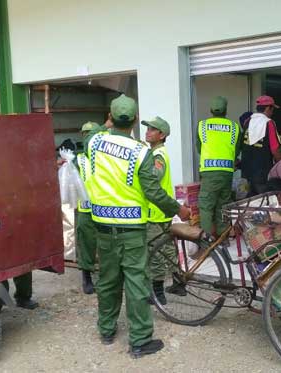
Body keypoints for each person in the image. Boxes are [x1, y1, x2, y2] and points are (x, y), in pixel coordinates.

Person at [86, 94, 191, 358]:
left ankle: (107, 330)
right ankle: (140, 340)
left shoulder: (94, 141)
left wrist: (107, 121)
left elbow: (96, 130)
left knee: (108, 280)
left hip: (102, 225)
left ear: (110, 117)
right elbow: (153, 192)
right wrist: (178, 209)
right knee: (135, 282)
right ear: (134, 120)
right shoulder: (141, 151)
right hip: (131, 228)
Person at [141, 116, 186, 305]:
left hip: (156, 212)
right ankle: (179, 283)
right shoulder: (157, 152)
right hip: (164, 210)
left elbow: (154, 177)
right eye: (148, 128)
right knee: (168, 248)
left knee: (156, 253)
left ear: (162, 135)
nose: (148, 131)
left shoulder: (158, 156)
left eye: (152, 129)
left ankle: (158, 293)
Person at [196, 96, 243, 238]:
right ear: (225, 110)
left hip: (209, 172)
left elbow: (199, 147)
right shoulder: (234, 127)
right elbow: (237, 149)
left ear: (211, 110)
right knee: (223, 205)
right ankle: (223, 238)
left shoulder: (202, 125)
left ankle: (206, 240)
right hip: (227, 172)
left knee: (206, 206)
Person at [75, 121, 103, 294]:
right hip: (86, 208)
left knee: (106, 244)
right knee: (86, 244)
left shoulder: (105, 157)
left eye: (91, 135)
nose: (88, 138)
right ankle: (87, 277)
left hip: (104, 208)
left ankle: (106, 276)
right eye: (86, 135)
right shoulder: (77, 159)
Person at [241, 95, 281, 196]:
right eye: (272, 109)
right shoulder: (269, 123)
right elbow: (275, 150)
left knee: (252, 201)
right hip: (262, 172)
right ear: (268, 108)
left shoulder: (248, 121)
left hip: (247, 171)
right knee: (266, 202)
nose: (273, 112)